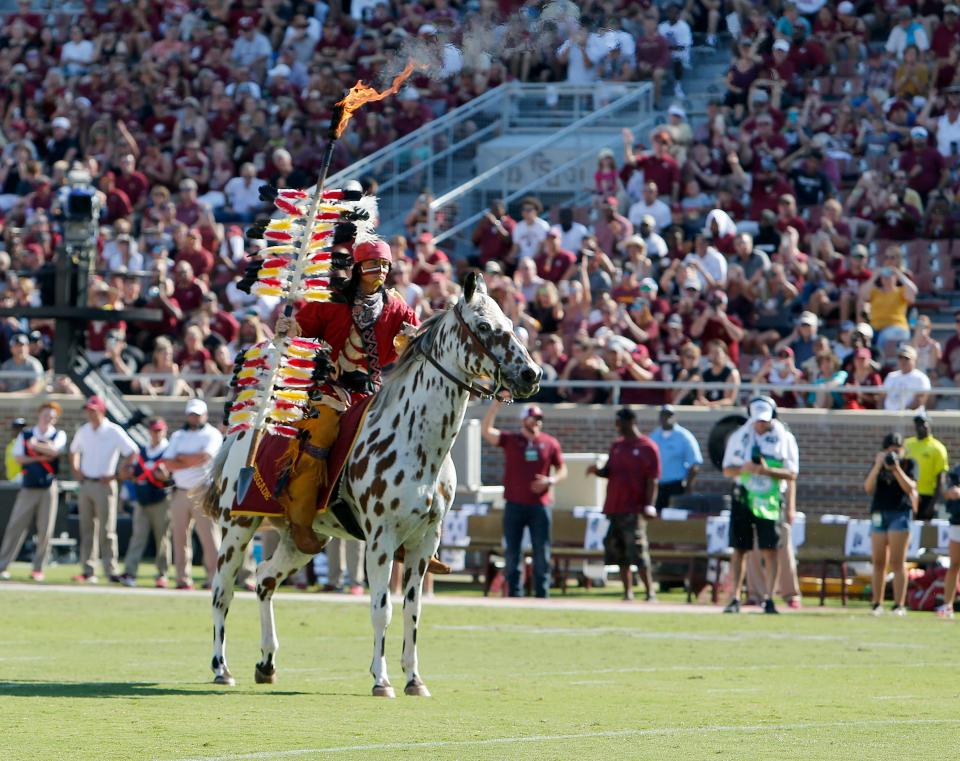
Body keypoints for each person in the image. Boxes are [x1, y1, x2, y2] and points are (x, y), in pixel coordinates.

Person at [274, 240, 423, 555]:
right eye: (372, 265)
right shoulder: (330, 299)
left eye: (384, 265)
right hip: (329, 387)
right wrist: (290, 328)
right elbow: (302, 331)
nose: (379, 271)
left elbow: (412, 343)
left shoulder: (397, 305)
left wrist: (412, 339)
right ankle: (300, 520)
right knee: (323, 432)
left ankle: (405, 525)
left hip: (372, 391)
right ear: (357, 268)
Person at [721, 396, 799, 615]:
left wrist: (767, 471)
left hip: (770, 498)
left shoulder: (785, 439)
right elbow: (727, 470)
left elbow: (792, 473)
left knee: (770, 549)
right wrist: (744, 468)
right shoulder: (739, 437)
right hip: (743, 496)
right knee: (739, 548)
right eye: (757, 420)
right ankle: (735, 596)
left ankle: (769, 598)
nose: (761, 425)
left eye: (764, 421)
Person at [481, 401, 566, 599]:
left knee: (541, 551)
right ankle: (514, 593)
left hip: (540, 505)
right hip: (514, 504)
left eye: (539, 418)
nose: (537, 422)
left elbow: (563, 469)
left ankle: (542, 593)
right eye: (533, 418)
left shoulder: (550, 442)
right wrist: (494, 407)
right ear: (523, 419)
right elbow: (486, 431)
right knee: (512, 551)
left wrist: (550, 480)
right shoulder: (512, 440)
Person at [587, 407, 660, 602]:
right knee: (618, 551)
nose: (617, 426)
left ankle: (649, 591)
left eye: (620, 422)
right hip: (615, 507)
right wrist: (597, 471)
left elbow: (653, 479)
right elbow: (610, 471)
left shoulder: (647, 447)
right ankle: (627, 591)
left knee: (637, 550)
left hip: (634, 508)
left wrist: (649, 505)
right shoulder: (617, 446)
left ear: (631, 422)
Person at [69, 395, 139, 583]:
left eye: (93, 410)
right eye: (88, 410)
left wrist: (118, 474)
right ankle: (88, 570)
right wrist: (76, 470)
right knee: (87, 528)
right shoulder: (84, 430)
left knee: (107, 530)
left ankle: (111, 570)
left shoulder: (113, 431)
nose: (90, 414)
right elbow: (73, 450)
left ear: (102, 411)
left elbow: (132, 452)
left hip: (105, 484)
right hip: (86, 484)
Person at [160, 399, 223, 590]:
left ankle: (214, 578)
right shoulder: (179, 435)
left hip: (203, 489)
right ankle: (182, 578)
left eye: (197, 414)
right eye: (191, 414)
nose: (194, 418)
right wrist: (189, 460)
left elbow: (205, 458)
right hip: (180, 491)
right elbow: (167, 462)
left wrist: (180, 459)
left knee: (210, 537)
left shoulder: (212, 434)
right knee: (179, 537)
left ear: (205, 415)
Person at [0, 402, 67, 582]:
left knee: (45, 529)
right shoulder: (27, 433)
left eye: (52, 416)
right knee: (16, 525)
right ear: (39, 414)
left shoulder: (58, 434)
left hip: (48, 486)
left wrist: (36, 446)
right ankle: (3, 565)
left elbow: (55, 451)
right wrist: (41, 455)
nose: (48, 419)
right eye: (46, 415)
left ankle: (38, 568)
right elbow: (19, 457)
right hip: (29, 486)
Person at [864, 432, 918, 616]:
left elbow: (910, 488)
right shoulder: (878, 465)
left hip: (900, 513)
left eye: (897, 450)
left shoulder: (909, 464)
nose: (893, 454)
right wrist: (879, 465)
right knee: (878, 561)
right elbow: (868, 488)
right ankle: (876, 603)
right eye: (890, 450)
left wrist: (896, 469)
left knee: (897, 561)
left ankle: (898, 604)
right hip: (880, 512)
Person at [119, 417, 172, 588]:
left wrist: (164, 477)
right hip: (142, 500)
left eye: (159, 430)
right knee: (138, 537)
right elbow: (133, 472)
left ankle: (162, 573)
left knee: (162, 538)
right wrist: (128, 472)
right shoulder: (142, 451)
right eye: (154, 430)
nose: (156, 434)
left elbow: (171, 478)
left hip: (161, 499)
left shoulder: (169, 451)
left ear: (164, 431)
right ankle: (129, 571)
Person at [647, 405, 702, 512]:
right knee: (657, 520)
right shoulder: (654, 436)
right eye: (664, 415)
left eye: (670, 415)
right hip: (657, 487)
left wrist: (688, 486)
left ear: (675, 417)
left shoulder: (684, 436)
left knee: (676, 519)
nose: (667, 418)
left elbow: (694, 464)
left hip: (676, 487)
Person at [904, 411, 948, 522]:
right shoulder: (907, 444)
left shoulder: (938, 448)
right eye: (918, 423)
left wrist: (935, 502)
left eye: (923, 423)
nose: (921, 426)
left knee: (926, 534)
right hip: (908, 495)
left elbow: (940, 479)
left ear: (929, 424)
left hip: (927, 496)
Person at [938, 464, 960, 618]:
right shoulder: (956, 471)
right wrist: (950, 493)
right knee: (954, 564)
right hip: (957, 522)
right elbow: (945, 493)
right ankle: (947, 605)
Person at [882, 344, 930, 411]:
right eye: (900, 357)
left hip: (909, 417)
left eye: (907, 358)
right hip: (888, 416)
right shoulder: (891, 376)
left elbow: (920, 400)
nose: (903, 361)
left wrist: (902, 413)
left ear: (914, 360)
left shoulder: (921, 378)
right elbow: (882, 397)